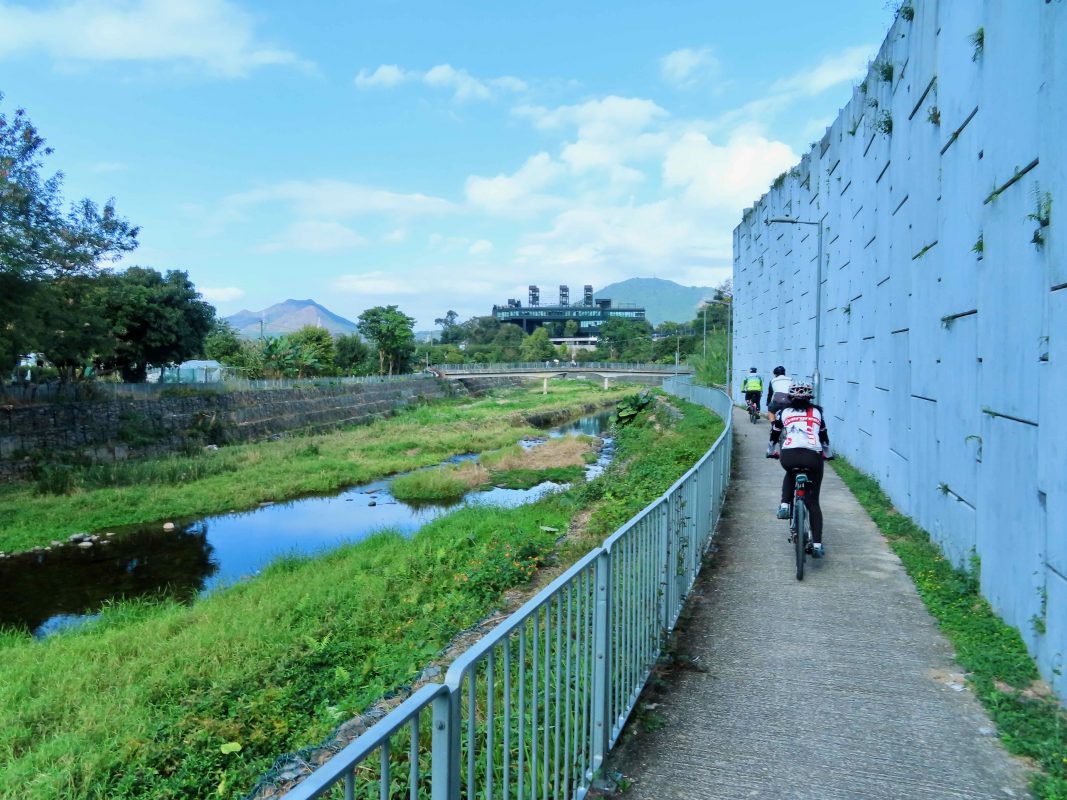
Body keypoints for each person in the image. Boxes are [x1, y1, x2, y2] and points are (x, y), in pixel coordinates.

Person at [772, 382, 832, 557]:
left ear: (790, 397)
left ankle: (784, 505)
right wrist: (828, 453)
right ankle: (817, 545)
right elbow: (824, 436)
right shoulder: (817, 412)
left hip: (789, 455)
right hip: (812, 457)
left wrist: (770, 449)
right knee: (813, 502)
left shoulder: (783, 412)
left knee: (790, 472)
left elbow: (775, 432)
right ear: (810, 397)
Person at [765, 365, 792, 457]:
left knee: (771, 411)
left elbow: (770, 393)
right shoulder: (791, 379)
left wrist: (768, 403)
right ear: (784, 373)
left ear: (775, 374)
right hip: (790, 400)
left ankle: (774, 425)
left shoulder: (773, 380)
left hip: (778, 399)